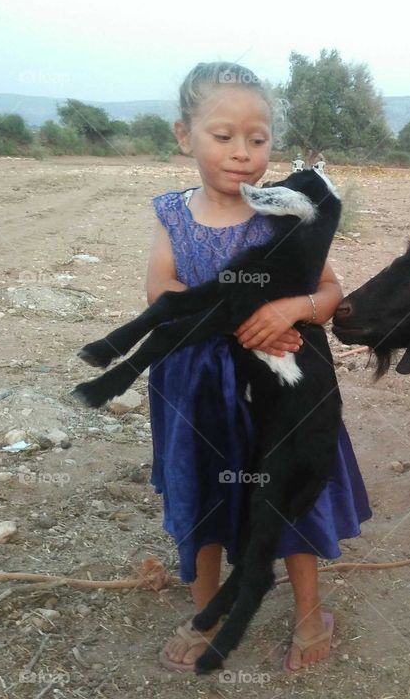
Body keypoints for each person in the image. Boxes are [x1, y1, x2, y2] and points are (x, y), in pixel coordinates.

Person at [147, 61, 371, 673]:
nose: (243, 153)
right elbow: (162, 297)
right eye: (223, 137)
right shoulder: (174, 216)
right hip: (198, 393)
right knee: (205, 499)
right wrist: (233, 316)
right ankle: (208, 614)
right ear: (183, 135)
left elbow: (329, 293)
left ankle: (308, 612)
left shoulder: (287, 213)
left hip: (282, 391)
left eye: (259, 138)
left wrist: (292, 308)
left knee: (289, 495)